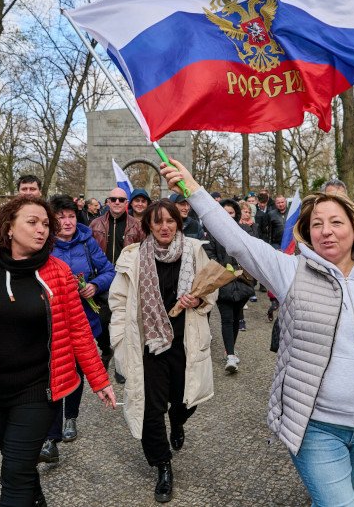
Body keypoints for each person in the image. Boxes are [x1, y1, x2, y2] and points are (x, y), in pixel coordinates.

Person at [160, 159, 354, 507]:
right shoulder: (291, 272)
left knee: (343, 499)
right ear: (306, 231)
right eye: (317, 224)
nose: (327, 230)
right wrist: (193, 189)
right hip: (315, 426)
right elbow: (237, 242)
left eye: (336, 222)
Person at [0, 195, 116, 507]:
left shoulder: (57, 272)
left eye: (46, 224)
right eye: (32, 222)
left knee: (14, 475)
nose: (42, 229)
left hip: (38, 389)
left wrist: (99, 380)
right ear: (8, 228)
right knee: (21, 467)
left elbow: (78, 331)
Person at [109, 199, 217, 503]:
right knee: (150, 410)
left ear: (178, 223)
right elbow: (118, 301)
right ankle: (162, 465)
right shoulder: (133, 256)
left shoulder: (195, 250)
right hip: (148, 345)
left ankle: (180, 419)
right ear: (148, 226)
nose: (165, 227)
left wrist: (201, 301)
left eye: (170, 220)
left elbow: (212, 288)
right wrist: (119, 339)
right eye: (158, 222)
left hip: (185, 342)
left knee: (187, 398)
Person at [41, 195, 116, 463]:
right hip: (51, 321)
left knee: (75, 371)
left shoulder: (87, 242)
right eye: (60, 217)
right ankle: (50, 437)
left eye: (70, 216)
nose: (67, 221)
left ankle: (70, 417)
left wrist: (94, 286)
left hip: (84, 318)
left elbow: (110, 270)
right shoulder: (43, 245)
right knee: (51, 375)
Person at [89, 187, 145, 383]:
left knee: (125, 325)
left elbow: (144, 252)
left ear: (126, 203)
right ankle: (106, 350)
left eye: (121, 200)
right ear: (107, 201)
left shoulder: (137, 226)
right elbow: (88, 252)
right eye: (113, 199)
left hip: (126, 280)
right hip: (102, 281)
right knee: (102, 322)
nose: (117, 203)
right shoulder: (95, 224)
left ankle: (121, 365)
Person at [204, 199, 256, 374]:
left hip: (243, 282)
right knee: (227, 318)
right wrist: (222, 270)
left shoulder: (244, 232)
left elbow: (252, 253)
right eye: (224, 213)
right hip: (223, 280)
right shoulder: (213, 234)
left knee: (236, 317)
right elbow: (209, 254)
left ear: (236, 214)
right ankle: (231, 355)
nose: (227, 216)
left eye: (231, 213)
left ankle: (230, 349)